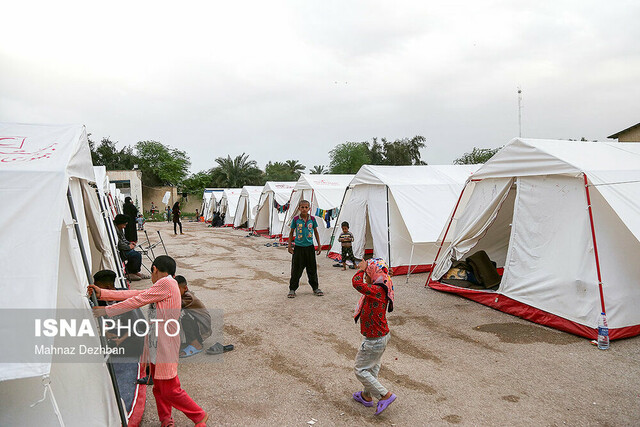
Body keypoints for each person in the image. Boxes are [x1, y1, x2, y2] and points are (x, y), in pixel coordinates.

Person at [89, 256, 209, 427]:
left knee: (170, 389)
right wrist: (104, 293)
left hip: (164, 344)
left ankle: (199, 415)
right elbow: (138, 294)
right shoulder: (168, 284)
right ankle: (166, 419)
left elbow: (138, 300)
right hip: (156, 343)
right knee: (159, 388)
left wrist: (107, 310)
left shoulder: (166, 283)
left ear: (154, 269)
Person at [352, 258, 396, 416]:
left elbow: (356, 283)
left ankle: (385, 395)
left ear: (374, 274)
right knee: (371, 367)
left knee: (360, 369)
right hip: (380, 336)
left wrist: (361, 269)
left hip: (374, 339)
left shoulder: (377, 290)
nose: (365, 277)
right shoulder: (382, 285)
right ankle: (366, 396)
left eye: (368, 274)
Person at [93, 269, 145, 361]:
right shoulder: (96, 301)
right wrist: (105, 334)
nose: (95, 293)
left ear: (108, 288)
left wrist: (120, 340)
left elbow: (137, 325)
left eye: (98, 289)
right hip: (111, 340)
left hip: (129, 339)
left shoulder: (125, 296)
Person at [287, 200, 323, 298]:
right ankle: (292, 289)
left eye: (306, 207)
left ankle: (315, 287)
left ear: (309, 208)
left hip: (309, 248)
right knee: (296, 269)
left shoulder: (312, 219)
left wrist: (319, 245)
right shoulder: (295, 220)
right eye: (302, 207)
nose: (304, 209)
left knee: (312, 268)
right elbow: (291, 233)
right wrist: (289, 246)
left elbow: (315, 232)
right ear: (299, 208)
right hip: (298, 248)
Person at [176, 276, 212, 358]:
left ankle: (196, 344)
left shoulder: (188, 297)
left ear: (185, 288)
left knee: (182, 314)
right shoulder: (182, 295)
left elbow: (175, 306)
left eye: (177, 290)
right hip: (197, 322)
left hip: (202, 325)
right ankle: (188, 340)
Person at [114, 214, 147, 281]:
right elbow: (118, 243)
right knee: (135, 255)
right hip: (120, 250)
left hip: (123, 248)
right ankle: (130, 272)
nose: (124, 226)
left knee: (137, 254)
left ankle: (134, 271)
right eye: (124, 225)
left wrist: (129, 243)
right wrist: (128, 247)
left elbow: (123, 239)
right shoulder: (114, 230)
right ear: (119, 223)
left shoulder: (119, 229)